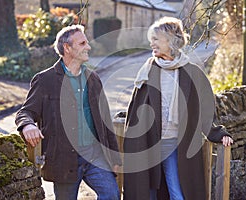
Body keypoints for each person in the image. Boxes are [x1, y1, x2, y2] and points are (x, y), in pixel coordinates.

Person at [123, 17, 233, 200]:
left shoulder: (192, 73)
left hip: (176, 144)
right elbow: (135, 107)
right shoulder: (147, 71)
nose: (152, 43)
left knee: (178, 193)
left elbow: (205, 111)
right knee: (145, 193)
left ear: (171, 40)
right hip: (148, 144)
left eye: (156, 39)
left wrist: (219, 133)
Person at [15, 24, 121, 200]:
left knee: (111, 195)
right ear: (67, 48)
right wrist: (27, 125)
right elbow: (25, 112)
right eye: (82, 43)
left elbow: (105, 121)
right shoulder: (45, 80)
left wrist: (115, 158)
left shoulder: (93, 79)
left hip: (95, 156)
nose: (88, 47)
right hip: (64, 158)